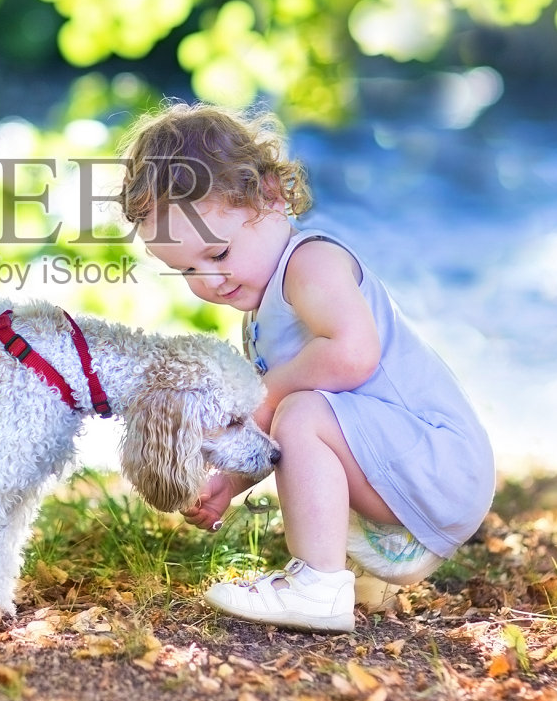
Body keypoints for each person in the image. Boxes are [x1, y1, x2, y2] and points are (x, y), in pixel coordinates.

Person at [117, 102, 495, 632]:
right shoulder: (258, 317)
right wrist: (229, 481)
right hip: (402, 470)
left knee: (301, 410)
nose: (207, 280)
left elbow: (351, 355)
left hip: (441, 461)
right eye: (184, 269)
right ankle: (354, 577)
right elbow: (283, 427)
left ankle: (317, 585)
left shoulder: (310, 264)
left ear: (269, 196)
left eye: (218, 252)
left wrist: (265, 395)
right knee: (298, 413)